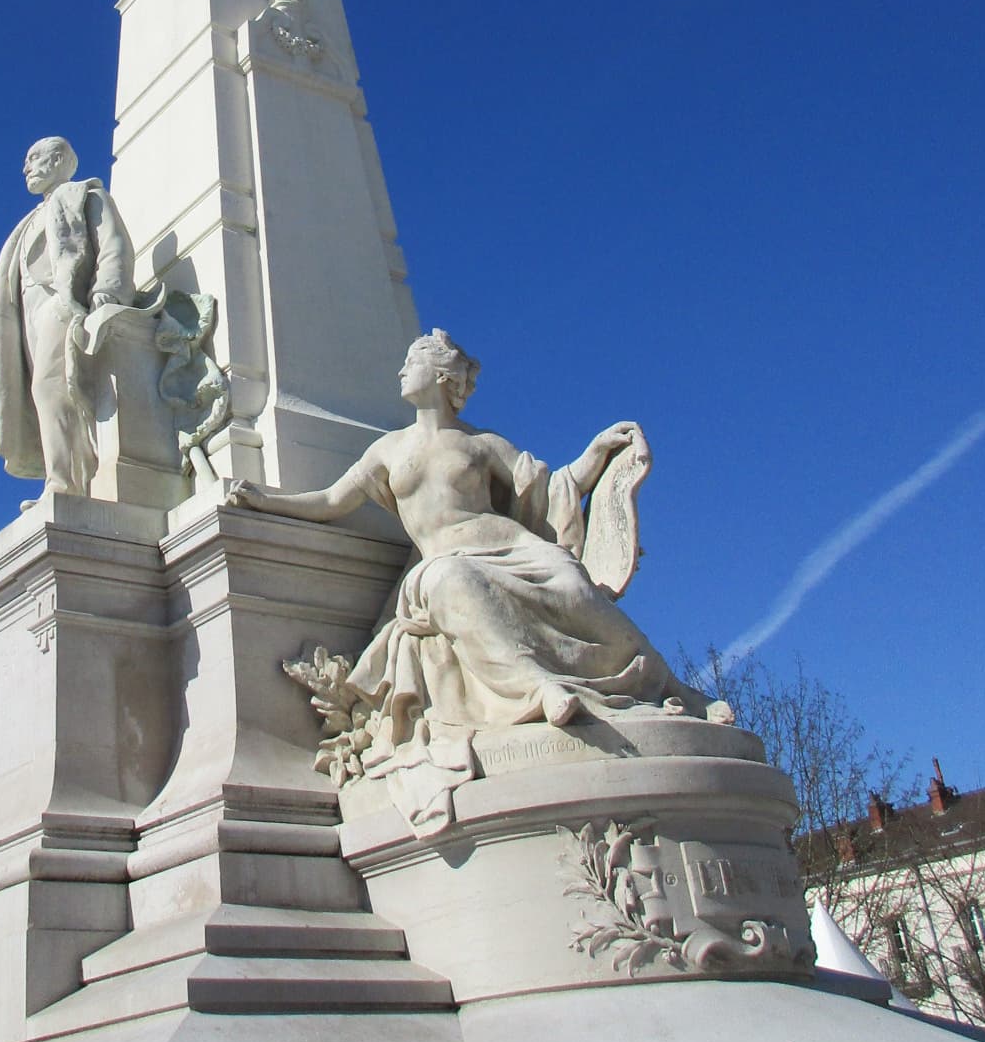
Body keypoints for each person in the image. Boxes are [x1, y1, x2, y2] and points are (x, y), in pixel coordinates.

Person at [231, 330, 706, 819]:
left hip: (510, 545)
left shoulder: (480, 443)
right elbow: (332, 501)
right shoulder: (387, 450)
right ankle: (538, 686)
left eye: (410, 363)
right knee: (450, 585)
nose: (399, 372)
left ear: (440, 376)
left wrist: (596, 453)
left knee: (573, 585)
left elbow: (548, 487)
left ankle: (670, 685)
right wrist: (266, 501)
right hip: (442, 561)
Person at [0, 137, 135, 499]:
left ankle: (64, 484)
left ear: (59, 159)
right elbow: (8, 294)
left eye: (34, 158)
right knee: (42, 392)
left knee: (50, 387)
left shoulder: (86, 196)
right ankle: (63, 476)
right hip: (29, 314)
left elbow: (114, 246)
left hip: (61, 303)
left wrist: (106, 294)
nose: (26, 167)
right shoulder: (26, 225)